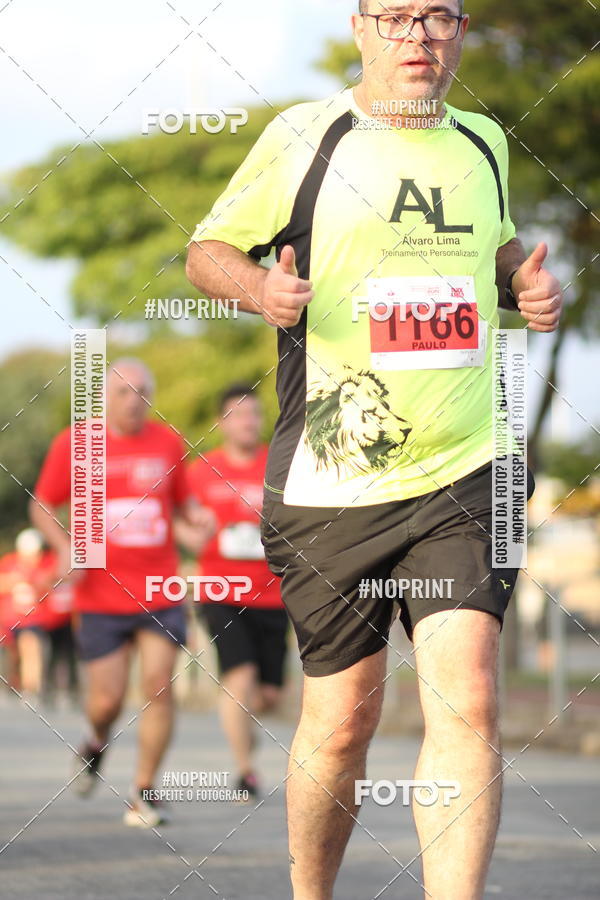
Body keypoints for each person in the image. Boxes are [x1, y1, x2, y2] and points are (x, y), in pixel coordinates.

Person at [185, 2, 563, 896]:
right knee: (343, 722)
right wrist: (259, 291)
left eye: (438, 17)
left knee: (469, 696)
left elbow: (491, 248)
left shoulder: (483, 140)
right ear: (361, 30)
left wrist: (523, 285)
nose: (418, 37)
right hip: (335, 484)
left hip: (469, 467)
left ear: (461, 33)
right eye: (396, 17)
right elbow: (205, 251)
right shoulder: (305, 137)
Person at [30, 358, 214, 828]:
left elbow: (184, 504)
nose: (135, 401)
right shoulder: (75, 443)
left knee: (158, 686)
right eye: (124, 392)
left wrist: (199, 521)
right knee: (106, 701)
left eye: (143, 392)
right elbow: (42, 507)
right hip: (100, 596)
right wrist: (65, 545)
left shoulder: (167, 442)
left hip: (159, 590)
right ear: (105, 397)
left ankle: (145, 792)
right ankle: (95, 741)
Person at [177, 384, 288, 799]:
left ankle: (243, 728)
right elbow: (176, 518)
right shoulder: (200, 470)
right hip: (220, 591)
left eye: (254, 414)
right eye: (238, 414)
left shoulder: (279, 465)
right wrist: (193, 537)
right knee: (238, 674)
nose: (248, 421)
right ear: (221, 423)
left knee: (269, 695)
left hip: (274, 593)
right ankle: (246, 771)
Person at [0, 528, 55, 700]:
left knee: (31, 648)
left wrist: (39, 581)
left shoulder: (46, 563)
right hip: (9, 619)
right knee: (12, 655)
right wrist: (13, 581)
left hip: (33, 619)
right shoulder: (9, 562)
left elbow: (52, 583)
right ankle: (10, 685)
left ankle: (32, 689)